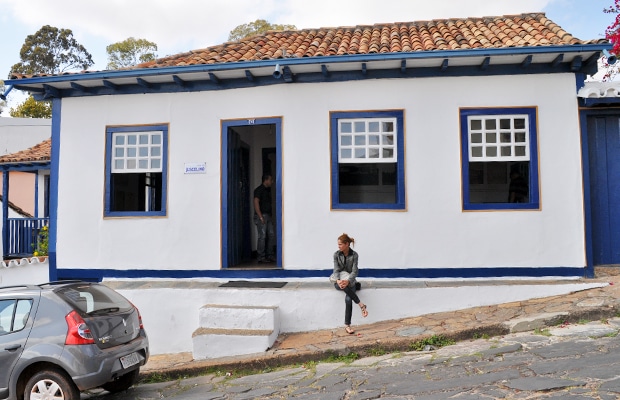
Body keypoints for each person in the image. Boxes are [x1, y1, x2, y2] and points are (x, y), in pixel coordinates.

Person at [331, 233, 368, 334]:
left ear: (347, 244)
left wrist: (348, 281)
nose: (338, 246)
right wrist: (338, 280)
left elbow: (355, 271)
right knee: (338, 281)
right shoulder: (336, 254)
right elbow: (336, 270)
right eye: (338, 244)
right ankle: (361, 304)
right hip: (339, 281)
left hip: (349, 281)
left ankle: (347, 325)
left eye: (340, 244)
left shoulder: (354, 255)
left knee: (348, 299)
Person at [253, 174, 275, 263]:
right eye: (270, 180)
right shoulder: (259, 190)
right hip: (262, 216)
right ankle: (261, 257)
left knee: (271, 235)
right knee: (262, 236)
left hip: (268, 216)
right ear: (266, 180)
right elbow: (256, 202)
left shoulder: (267, 190)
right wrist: (260, 216)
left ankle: (269, 255)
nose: (272, 182)